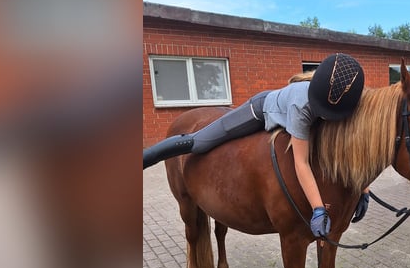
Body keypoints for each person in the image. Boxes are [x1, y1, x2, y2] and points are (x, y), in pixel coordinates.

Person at [142, 53, 371, 238]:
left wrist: (364, 189)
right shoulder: (301, 109)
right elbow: (300, 163)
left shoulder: (347, 103)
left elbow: (348, 151)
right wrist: (318, 209)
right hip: (260, 110)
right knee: (200, 142)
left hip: (291, 106)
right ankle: (146, 157)